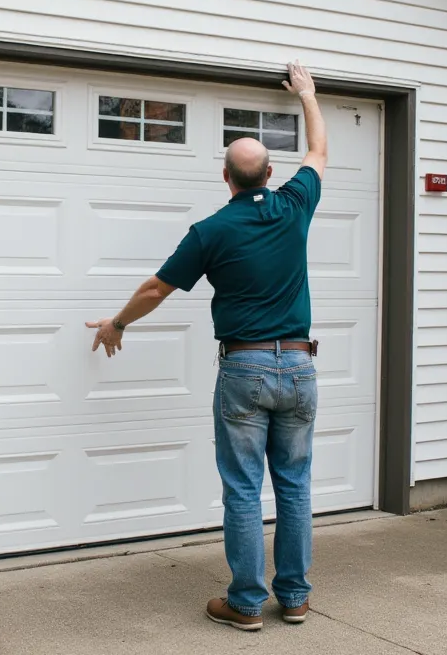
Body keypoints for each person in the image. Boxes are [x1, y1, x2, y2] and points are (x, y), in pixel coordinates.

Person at [86, 61, 327, 632]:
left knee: (243, 488)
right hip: (299, 363)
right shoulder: (296, 206)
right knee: (294, 485)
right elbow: (317, 151)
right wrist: (308, 95)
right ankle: (293, 598)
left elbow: (155, 289)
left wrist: (117, 323)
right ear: (269, 173)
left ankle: (246, 605)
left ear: (227, 179)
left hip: (243, 368)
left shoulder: (211, 231)